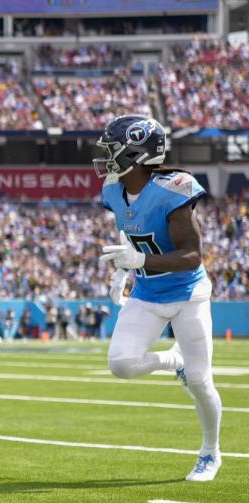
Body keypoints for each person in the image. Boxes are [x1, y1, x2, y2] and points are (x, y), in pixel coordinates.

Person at [96, 115, 222, 481]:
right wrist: (124, 270)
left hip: (187, 294)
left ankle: (210, 453)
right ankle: (172, 362)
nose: (105, 158)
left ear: (135, 154)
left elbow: (192, 256)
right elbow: (129, 227)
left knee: (200, 381)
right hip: (148, 293)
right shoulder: (112, 190)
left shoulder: (174, 189)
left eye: (112, 150)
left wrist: (139, 261)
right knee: (120, 363)